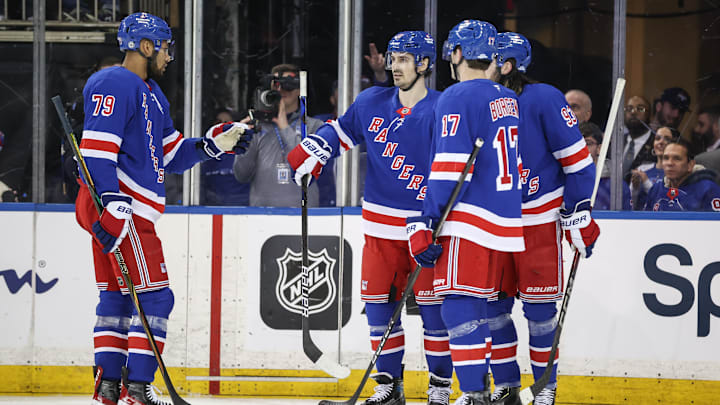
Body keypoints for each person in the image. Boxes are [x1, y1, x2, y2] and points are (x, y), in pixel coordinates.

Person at [77, 13, 252, 405]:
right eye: (165, 47)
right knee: (156, 298)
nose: (169, 56)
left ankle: (109, 387)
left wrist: (214, 144)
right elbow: (96, 151)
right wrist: (114, 207)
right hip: (126, 209)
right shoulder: (114, 81)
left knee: (118, 299)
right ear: (145, 46)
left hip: (121, 209)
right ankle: (138, 386)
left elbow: (169, 153)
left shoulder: (151, 92)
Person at [288, 30, 454, 405]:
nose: (395, 67)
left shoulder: (443, 108)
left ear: (425, 64)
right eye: (392, 59)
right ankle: (388, 386)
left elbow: (452, 168)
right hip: (379, 229)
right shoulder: (371, 101)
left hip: (427, 230)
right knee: (379, 308)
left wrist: (431, 220)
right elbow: (342, 132)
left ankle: (440, 388)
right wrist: (315, 152)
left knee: (434, 314)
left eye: (404, 60)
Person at [404, 20, 525, 405]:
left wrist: (425, 220)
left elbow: (451, 166)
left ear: (456, 53)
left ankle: (473, 394)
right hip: (504, 219)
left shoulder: (456, 96)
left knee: (458, 305)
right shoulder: (506, 97)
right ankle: (506, 389)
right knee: (493, 310)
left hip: (469, 221)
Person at [485, 33, 600, 405]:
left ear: (507, 64)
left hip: (538, 219)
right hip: (493, 222)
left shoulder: (544, 97)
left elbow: (579, 163)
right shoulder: (479, 99)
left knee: (539, 312)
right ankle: (505, 387)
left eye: (488, 59)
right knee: (493, 310)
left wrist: (577, 211)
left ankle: (545, 388)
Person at [233, 64, 326, 207]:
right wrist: (243, 140)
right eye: (276, 84)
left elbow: (308, 167)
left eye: (288, 85)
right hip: (262, 215)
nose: (282, 90)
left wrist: (284, 127)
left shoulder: (314, 126)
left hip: (304, 217)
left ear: (299, 90)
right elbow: (241, 175)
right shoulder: (258, 126)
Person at [644, 138, 720, 211]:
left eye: (677, 158)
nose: (670, 163)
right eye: (666, 158)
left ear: (690, 165)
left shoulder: (708, 189)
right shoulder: (656, 189)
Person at [201, 109, 251, 205]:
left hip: (242, 211)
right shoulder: (204, 154)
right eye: (218, 122)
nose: (222, 126)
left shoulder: (244, 151)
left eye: (227, 123)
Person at [581, 121, 631, 211]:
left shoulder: (616, 186)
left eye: (588, 143)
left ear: (599, 148)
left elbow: (626, 220)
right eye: (579, 144)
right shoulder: (566, 180)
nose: (582, 148)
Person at [629, 126, 680, 209]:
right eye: (657, 138)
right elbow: (631, 205)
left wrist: (646, 182)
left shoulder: (677, 173)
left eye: (666, 139)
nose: (661, 142)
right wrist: (635, 188)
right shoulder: (643, 169)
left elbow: (666, 203)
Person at [621, 95, 654, 177]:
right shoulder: (616, 142)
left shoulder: (656, 144)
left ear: (649, 115)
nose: (633, 112)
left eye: (640, 109)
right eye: (629, 109)